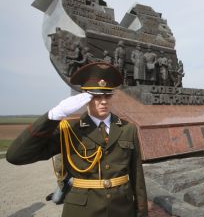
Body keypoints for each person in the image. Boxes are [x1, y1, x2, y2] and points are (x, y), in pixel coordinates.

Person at [6, 62, 148, 217]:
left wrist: (141, 212)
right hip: (82, 210)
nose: (104, 101)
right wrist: (53, 116)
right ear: (85, 97)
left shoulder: (128, 129)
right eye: (96, 96)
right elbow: (16, 156)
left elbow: (137, 177)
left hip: (122, 208)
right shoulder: (69, 129)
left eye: (108, 95)